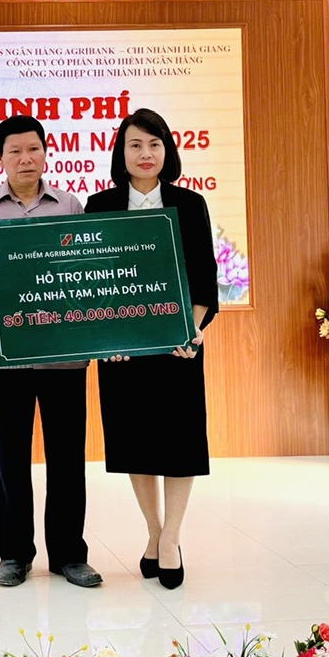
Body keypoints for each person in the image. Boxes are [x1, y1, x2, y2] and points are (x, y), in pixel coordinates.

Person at [0, 114, 103, 589]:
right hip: (7, 354)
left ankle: (69, 555)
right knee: (9, 459)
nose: (25, 158)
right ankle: (14, 554)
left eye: (33, 149)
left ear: (46, 153)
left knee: (67, 458)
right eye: (14, 151)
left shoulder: (70, 205)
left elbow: (90, 269)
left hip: (63, 353)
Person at [84, 107, 219, 590]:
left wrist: (190, 330)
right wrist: (107, 337)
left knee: (181, 444)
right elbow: (91, 282)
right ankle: (154, 531)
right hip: (122, 352)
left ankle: (172, 538)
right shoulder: (99, 206)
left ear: (167, 151)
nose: (145, 154)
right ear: (121, 153)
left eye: (154, 144)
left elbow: (204, 276)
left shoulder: (190, 204)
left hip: (179, 347)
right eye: (136, 145)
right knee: (136, 443)